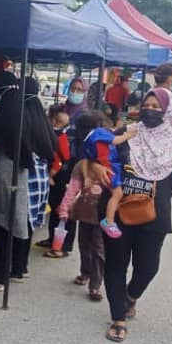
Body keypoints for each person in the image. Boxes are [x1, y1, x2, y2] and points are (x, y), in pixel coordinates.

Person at [103, 87, 172, 343]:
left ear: (168, 109)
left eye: (157, 106)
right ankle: (118, 318)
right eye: (147, 105)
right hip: (118, 211)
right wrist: (94, 170)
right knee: (115, 264)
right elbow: (100, 155)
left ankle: (130, 295)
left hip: (155, 215)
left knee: (148, 267)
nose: (150, 110)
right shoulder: (126, 132)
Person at [0, 77, 57, 285]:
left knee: (2, 226)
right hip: (35, 178)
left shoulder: (9, 121)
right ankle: (19, 267)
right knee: (22, 223)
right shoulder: (38, 116)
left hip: (13, 179)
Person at [58, 110, 107, 301]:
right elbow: (72, 188)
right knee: (84, 244)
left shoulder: (111, 164)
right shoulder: (81, 165)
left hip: (102, 214)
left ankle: (95, 284)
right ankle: (85, 272)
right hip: (85, 211)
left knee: (98, 248)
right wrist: (65, 208)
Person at [80, 120, 138, 239]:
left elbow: (85, 161)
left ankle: (110, 215)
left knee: (114, 195)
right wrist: (128, 135)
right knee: (117, 194)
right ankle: (109, 221)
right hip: (110, 169)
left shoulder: (87, 141)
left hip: (105, 169)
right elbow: (115, 140)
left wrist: (86, 177)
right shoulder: (99, 133)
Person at [38, 103, 77, 259]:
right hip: (57, 174)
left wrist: (52, 174)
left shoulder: (63, 136)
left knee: (64, 210)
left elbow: (65, 157)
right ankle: (53, 239)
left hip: (63, 175)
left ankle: (63, 245)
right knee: (55, 209)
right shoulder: (56, 133)